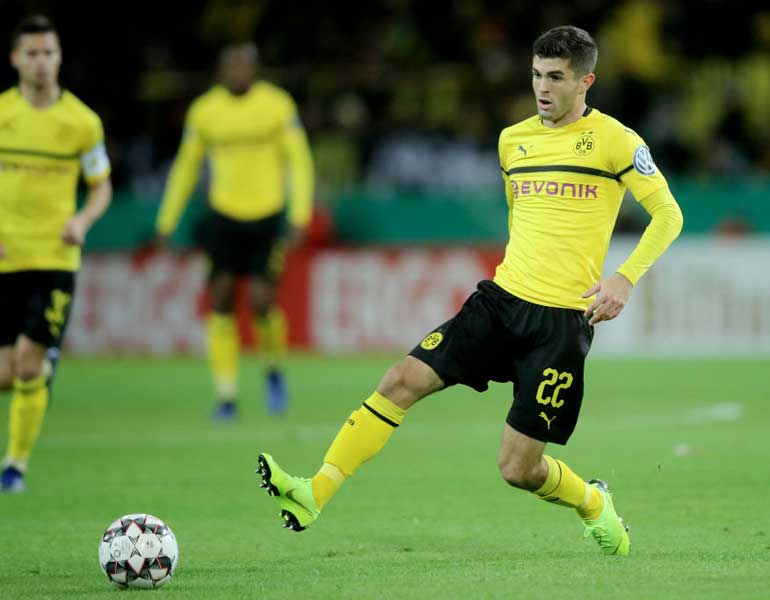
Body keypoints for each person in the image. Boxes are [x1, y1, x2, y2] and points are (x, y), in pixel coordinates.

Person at [256, 25, 683, 555]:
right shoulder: (513, 141)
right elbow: (521, 217)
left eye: (555, 77)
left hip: (559, 325)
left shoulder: (617, 140)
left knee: (518, 468)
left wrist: (624, 276)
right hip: (500, 303)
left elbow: (668, 214)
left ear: (585, 82)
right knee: (400, 380)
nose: (542, 87)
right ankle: (314, 492)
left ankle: (593, 502)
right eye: (536, 75)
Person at [155, 43, 314, 420]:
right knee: (221, 298)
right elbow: (186, 166)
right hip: (223, 216)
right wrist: (166, 220)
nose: (239, 72)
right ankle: (226, 395)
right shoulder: (205, 111)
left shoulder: (276, 105)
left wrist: (300, 214)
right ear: (222, 70)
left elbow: (299, 160)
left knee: (261, 302)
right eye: (233, 66)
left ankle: (273, 369)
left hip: (267, 215)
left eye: (246, 66)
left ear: (255, 69)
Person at [0, 15, 112, 492]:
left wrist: (81, 221)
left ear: (59, 57)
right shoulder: (2, 114)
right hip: (6, 257)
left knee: (27, 364)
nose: (41, 62)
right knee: (8, 375)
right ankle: (45, 364)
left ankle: (14, 467)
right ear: (16, 59)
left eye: (48, 53)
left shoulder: (81, 122)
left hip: (54, 260)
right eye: (32, 53)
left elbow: (101, 186)